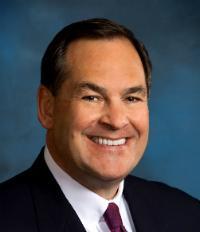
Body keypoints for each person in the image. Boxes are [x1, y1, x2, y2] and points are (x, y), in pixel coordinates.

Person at [0, 18, 199, 232]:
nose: (116, 121)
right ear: (47, 107)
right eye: (92, 97)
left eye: (131, 98)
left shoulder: (188, 215)